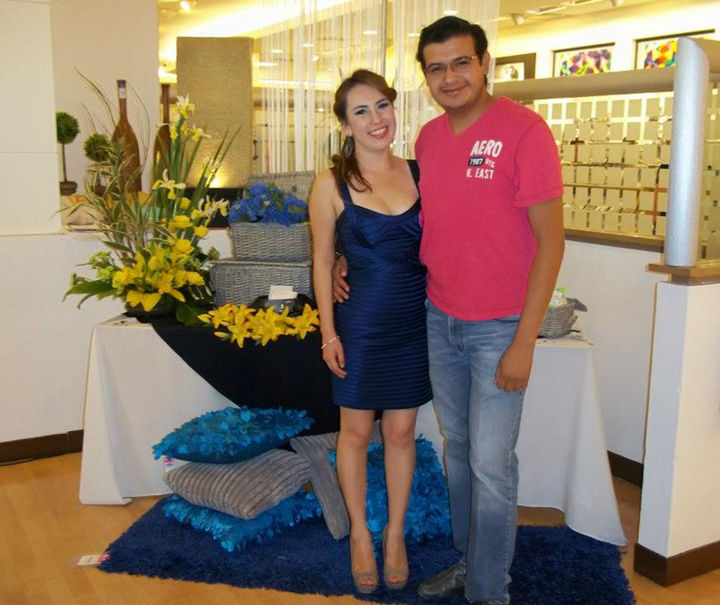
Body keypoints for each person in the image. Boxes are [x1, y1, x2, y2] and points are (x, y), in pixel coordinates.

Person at [333, 16, 565, 605]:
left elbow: (551, 242)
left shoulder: (525, 130)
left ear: (485, 62)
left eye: (462, 62)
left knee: (491, 463)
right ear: (425, 76)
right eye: (436, 67)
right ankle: (470, 561)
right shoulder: (428, 142)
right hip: (437, 319)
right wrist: (343, 258)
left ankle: (489, 590)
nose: (450, 77)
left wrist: (525, 341)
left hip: (500, 328)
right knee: (457, 453)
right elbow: (409, 227)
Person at [308, 69, 433, 595]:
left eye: (382, 105)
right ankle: (361, 533)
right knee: (355, 435)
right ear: (345, 124)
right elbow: (320, 261)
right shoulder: (329, 183)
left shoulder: (422, 172)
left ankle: (395, 534)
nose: (376, 119)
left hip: (414, 323)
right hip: (358, 327)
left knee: (400, 434)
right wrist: (328, 334)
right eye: (361, 111)